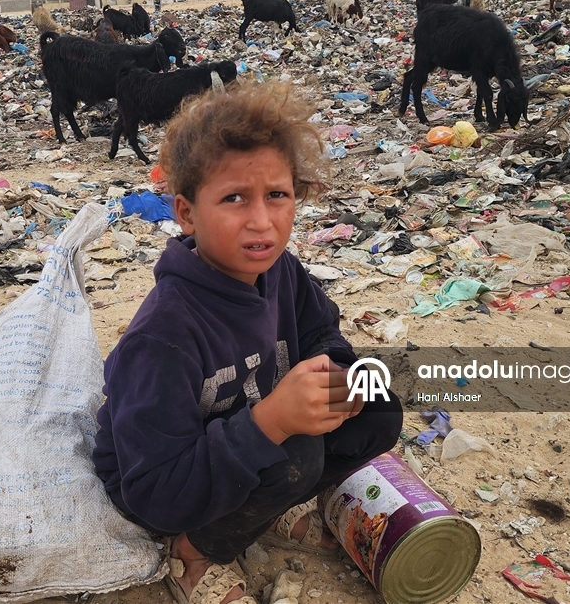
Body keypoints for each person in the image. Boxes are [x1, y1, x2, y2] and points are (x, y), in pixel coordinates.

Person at [92, 80, 403, 604]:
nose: (262, 222)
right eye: (234, 198)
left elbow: (321, 330)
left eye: (277, 195)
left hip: (246, 424)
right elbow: (155, 489)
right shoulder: (164, 335)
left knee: (380, 406)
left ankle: (271, 501)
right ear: (187, 213)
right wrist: (274, 420)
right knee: (296, 453)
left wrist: (336, 371)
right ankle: (193, 550)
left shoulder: (280, 270)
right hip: (159, 481)